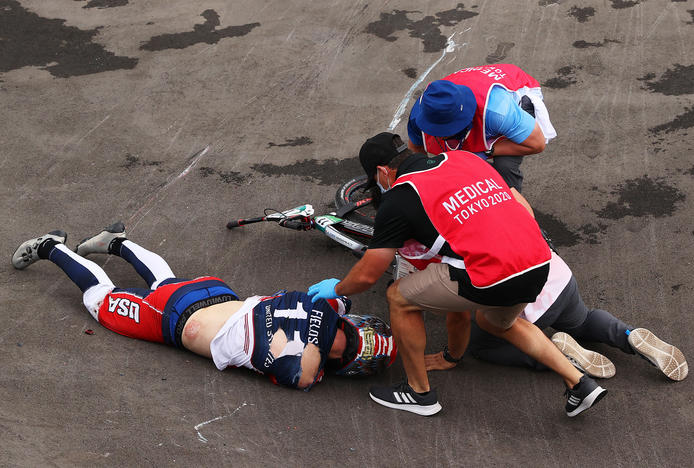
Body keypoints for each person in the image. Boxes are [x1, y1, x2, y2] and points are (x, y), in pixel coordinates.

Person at [307, 132, 606, 417]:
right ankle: (580, 383)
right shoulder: (464, 158)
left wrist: (338, 289)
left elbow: (367, 275)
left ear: (383, 172)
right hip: (539, 259)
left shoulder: (400, 197)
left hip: (492, 272)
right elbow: (515, 200)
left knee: (398, 296)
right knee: (495, 321)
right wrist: (451, 356)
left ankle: (418, 394)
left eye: (375, 179)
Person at [11, 223, 396, 390]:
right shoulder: (302, 369)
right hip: (175, 321)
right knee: (99, 299)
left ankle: (118, 242)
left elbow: (337, 302)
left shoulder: (326, 305)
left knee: (167, 282)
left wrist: (336, 311)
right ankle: (49, 245)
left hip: (215, 293)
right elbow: (307, 372)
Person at [423, 248, 689, 382]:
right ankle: (627, 334)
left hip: (523, 302)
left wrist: (451, 353)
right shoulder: (491, 190)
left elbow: (456, 302)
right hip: (556, 274)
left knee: (480, 344)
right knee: (583, 321)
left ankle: (555, 355)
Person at [407, 64, 557, 191]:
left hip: (518, 89)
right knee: (462, 168)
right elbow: (416, 152)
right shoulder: (418, 116)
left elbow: (537, 144)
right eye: (439, 130)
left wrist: (487, 151)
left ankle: (513, 205)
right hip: (475, 84)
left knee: (505, 166)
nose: (444, 135)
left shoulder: (498, 111)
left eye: (450, 129)